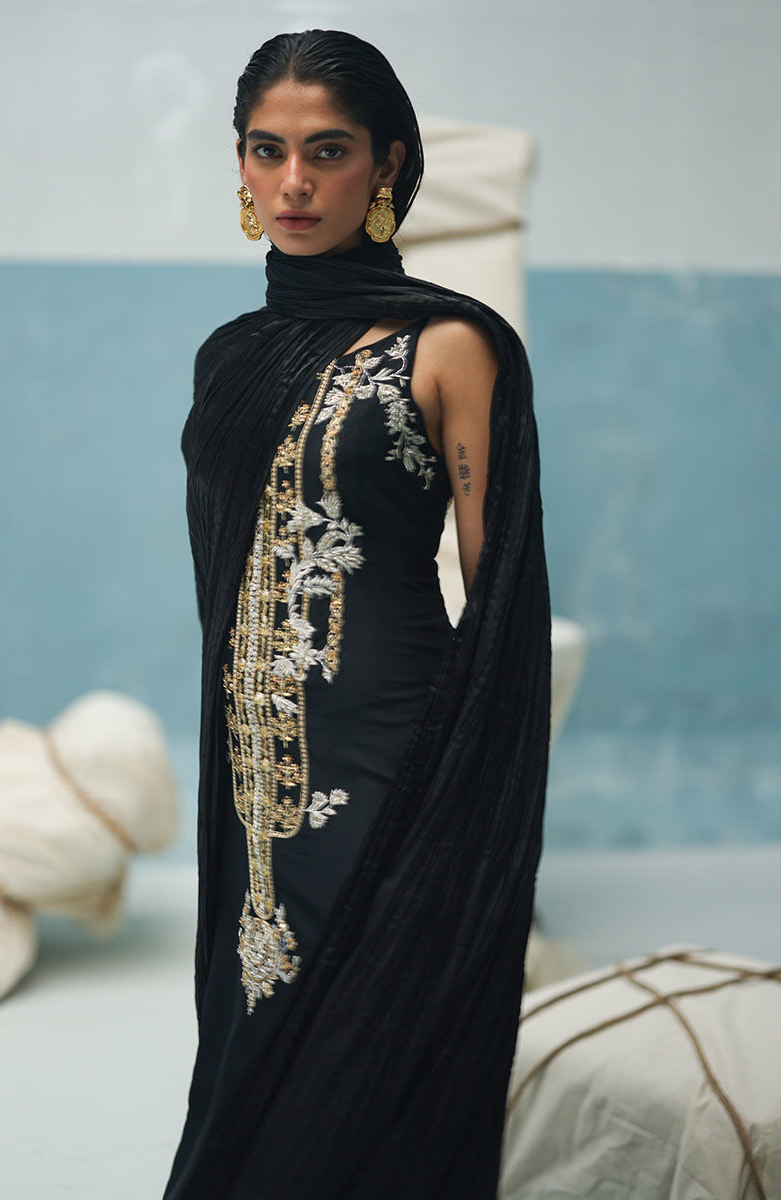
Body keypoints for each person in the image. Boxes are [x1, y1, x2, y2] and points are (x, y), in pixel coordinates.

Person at [163, 28, 551, 1200]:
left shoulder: (452, 344)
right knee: (250, 1032)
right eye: (265, 150)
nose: (292, 183)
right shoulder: (230, 356)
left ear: (384, 165)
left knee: (366, 1040)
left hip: (395, 750)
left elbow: (500, 594)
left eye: (326, 152)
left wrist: (472, 789)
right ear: (240, 163)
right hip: (256, 759)